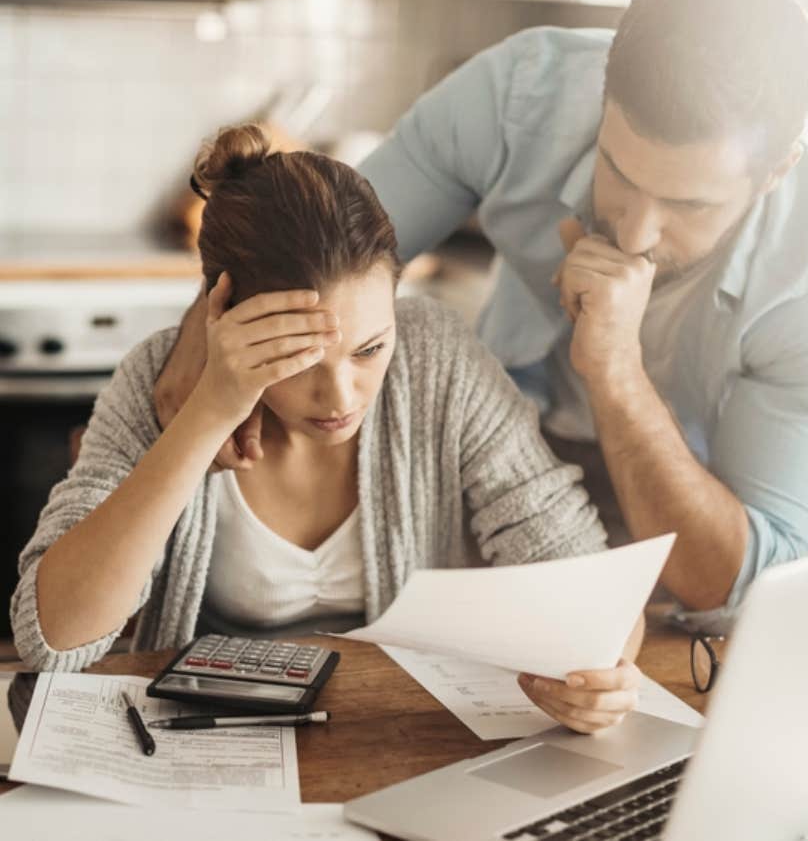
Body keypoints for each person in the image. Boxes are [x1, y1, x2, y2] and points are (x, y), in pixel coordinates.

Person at [156, 0, 808, 634]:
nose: (634, 235)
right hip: (500, 451)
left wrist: (616, 372)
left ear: (777, 170)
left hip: (683, 505)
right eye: (620, 171)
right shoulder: (524, 94)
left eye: (691, 206)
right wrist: (205, 330)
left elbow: (743, 589)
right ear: (602, 96)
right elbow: (319, 247)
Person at [11, 125, 645, 735]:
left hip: (394, 735)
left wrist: (605, 671)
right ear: (224, 320)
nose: (341, 398)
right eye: (302, 361)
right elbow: (54, 640)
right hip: (204, 744)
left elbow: (582, 573)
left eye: (369, 350)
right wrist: (205, 417)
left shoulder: (436, 356)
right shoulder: (157, 377)